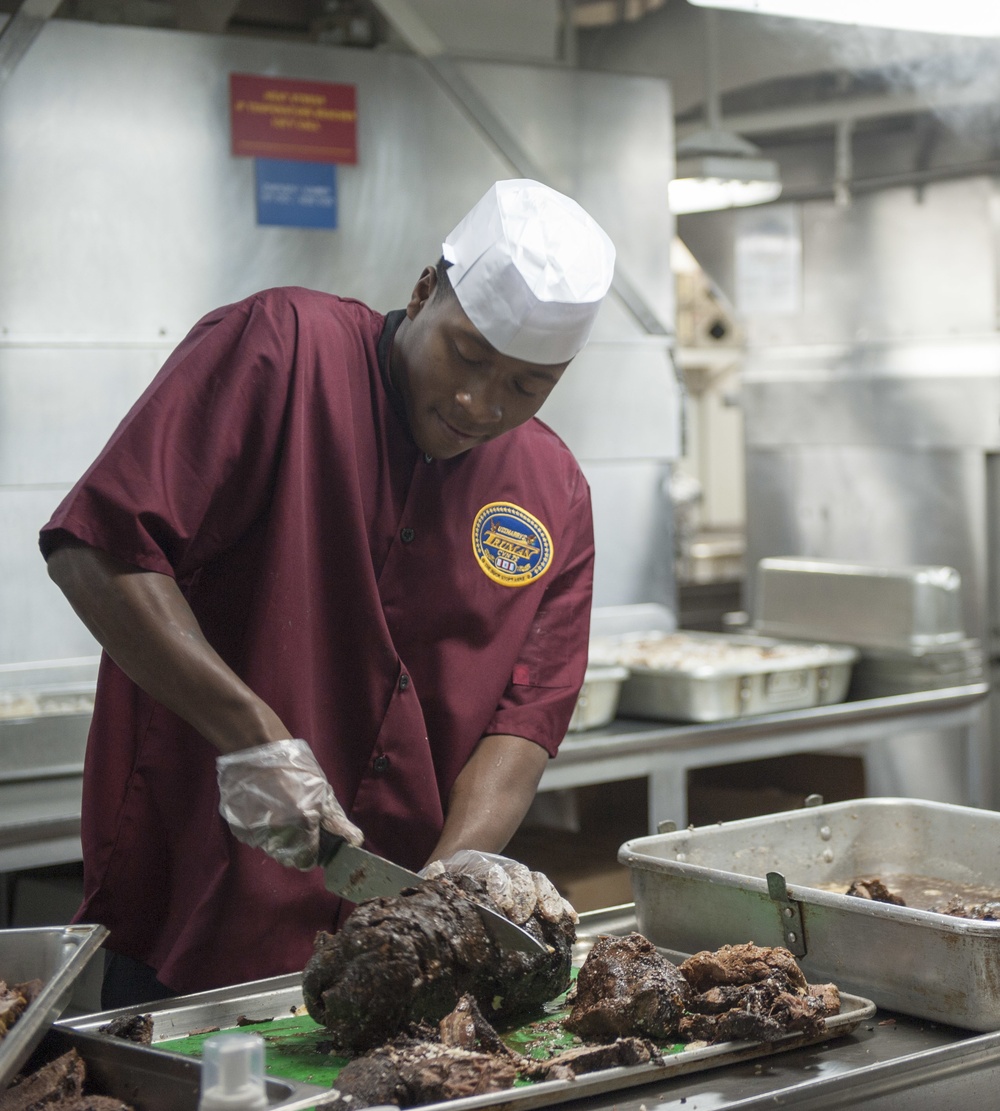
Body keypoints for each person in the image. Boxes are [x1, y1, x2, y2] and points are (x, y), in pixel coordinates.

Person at [40, 178, 616, 1009]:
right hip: (195, 909)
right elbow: (96, 548)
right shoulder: (280, 349)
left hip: (394, 952)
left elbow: (523, 724)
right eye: (468, 353)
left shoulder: (551, 487)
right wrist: (253, 735)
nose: (477, 402)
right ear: (423, 290)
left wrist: (448, 884)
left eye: (526, 386)